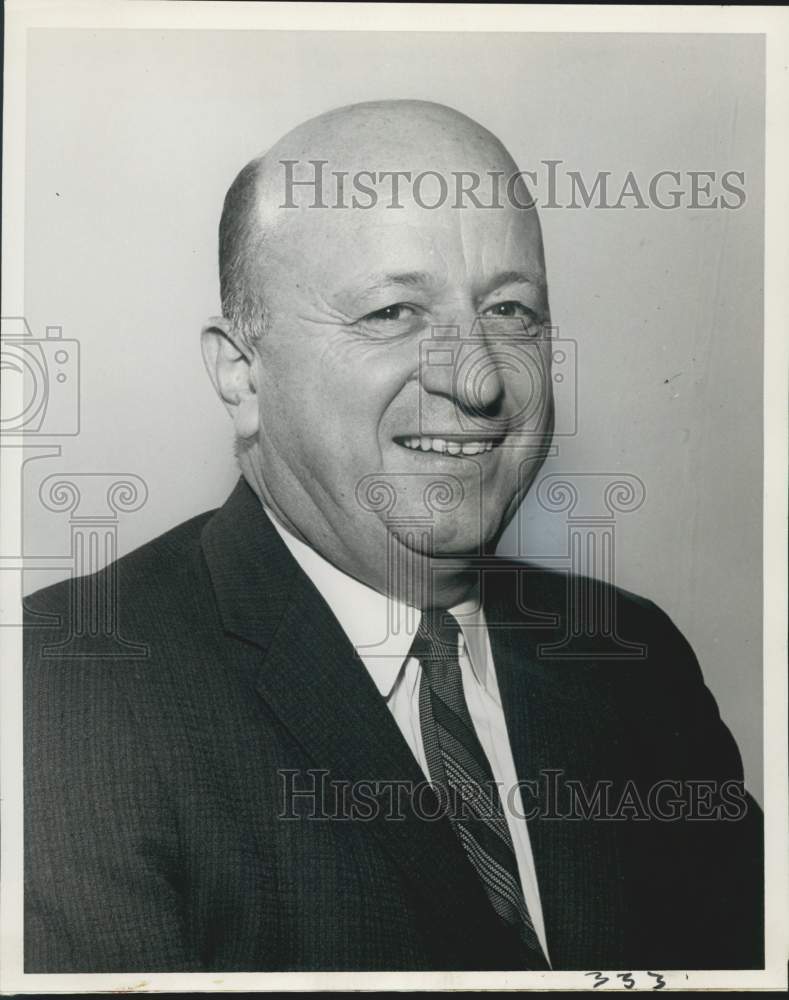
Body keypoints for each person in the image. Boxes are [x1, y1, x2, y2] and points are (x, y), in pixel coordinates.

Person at [24, 100, 763, 973]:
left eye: (512, 312)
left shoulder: (632, 657)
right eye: (392, 313)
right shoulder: (68, 686)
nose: (480, 379)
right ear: (240, 372)